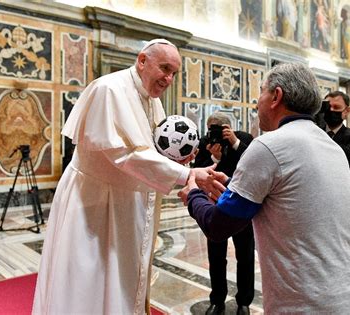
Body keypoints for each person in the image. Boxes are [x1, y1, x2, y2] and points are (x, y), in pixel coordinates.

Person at [32, 39, 214, 315]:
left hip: (127, 204)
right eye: (164, 68)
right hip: (94, 205)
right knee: (90, 279)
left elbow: (149, 149)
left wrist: (175, 159)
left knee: (121, 279)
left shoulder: (152, 101)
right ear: (142, 60)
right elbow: (123, 155)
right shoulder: (108, 90)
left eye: (174, 73)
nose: (169, 79)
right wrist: (185, 173)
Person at [179, 63, 350, 313]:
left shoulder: (269, 145)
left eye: (261, 92)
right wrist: (233, 186)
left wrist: (193, 194)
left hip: (307, 305)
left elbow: (218, 226)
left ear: (276, 96)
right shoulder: (331, 146)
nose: (256, 102)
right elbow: (288, 195)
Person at [193, 113, 254, 315]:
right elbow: (197, 169)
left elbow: (252, 163)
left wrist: (234, 142)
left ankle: (244, 301)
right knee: (216, 256)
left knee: (245, 254)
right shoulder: (205, 143)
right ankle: (217, 300)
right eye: (213, 128)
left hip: (241, 203)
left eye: (221, 127)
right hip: (215, 204)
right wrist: (214, 157)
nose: (216, 132)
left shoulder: (243, 138)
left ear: (230, 126)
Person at [323, 90, 350, 183]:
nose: (331, 110)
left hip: (341, 187)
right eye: (328, 107)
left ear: (346, 111)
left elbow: (347, 157)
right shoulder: (315, 131)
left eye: (336, 107)